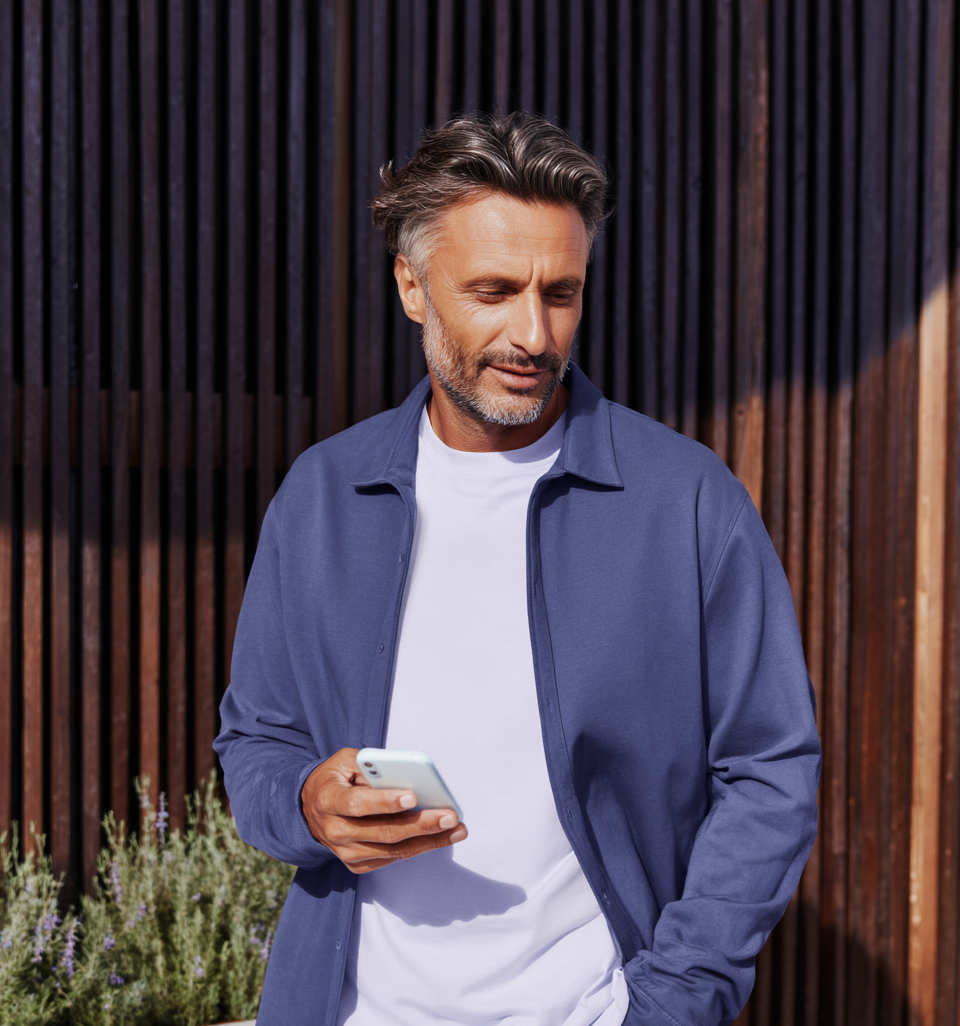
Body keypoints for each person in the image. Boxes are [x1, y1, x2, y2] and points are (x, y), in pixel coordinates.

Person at [215, 111, 820, 1026]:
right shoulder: (323, 496)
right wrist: (305, 803)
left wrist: (671, 1002)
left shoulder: (686, 500)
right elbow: (255, 741)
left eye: (561, 293)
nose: (534, 334)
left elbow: (772, 770)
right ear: (413, 287)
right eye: (494, 290)